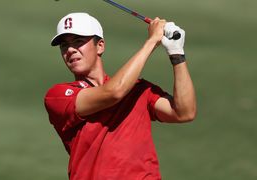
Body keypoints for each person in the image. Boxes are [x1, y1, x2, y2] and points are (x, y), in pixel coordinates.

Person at [44, 12, 196, 180]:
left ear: (100, 46)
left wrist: (177, 54)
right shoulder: (58, 96)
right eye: (64, 45)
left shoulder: (138, 89)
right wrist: (152, 41)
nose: (70, 50)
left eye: (78, 42)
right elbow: (114, 92)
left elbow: (184, 112)